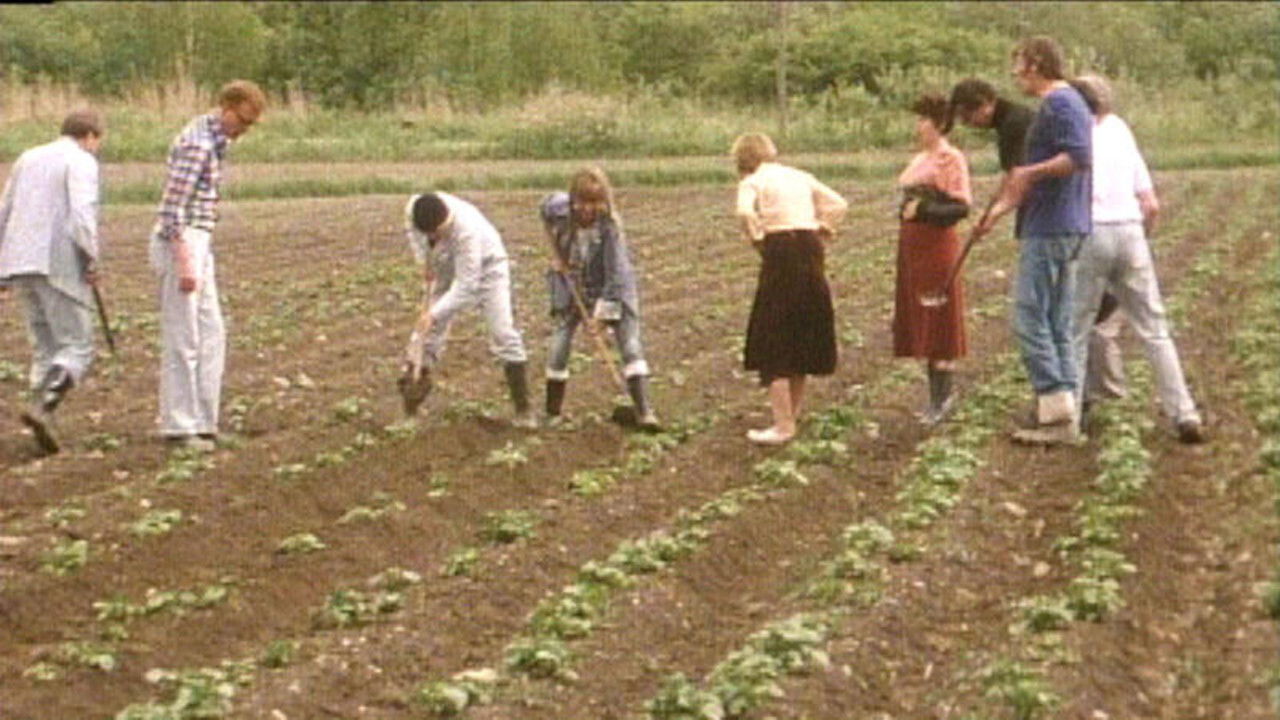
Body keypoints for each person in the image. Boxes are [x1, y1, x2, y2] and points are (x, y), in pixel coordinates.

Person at [1067, 74, 1205, 443]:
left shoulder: (1074, 137)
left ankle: (1072, 415)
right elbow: (1150, 202)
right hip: (1130, 230)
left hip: (1091, 231)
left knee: (1076, 329)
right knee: (1155, 329)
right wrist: (1140, 240)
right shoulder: (1120, 129)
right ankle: (1184, 413)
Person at [972, 36, 1093, 445]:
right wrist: (995, 215)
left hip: (1052, 226)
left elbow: (1078, 158)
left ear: (1037, 64)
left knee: (1028, 319)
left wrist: (1031, 171)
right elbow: (1031, 178)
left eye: (1018, 64)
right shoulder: (1062, 104)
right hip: (1059, 223)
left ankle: (1054, 405)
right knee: (1057, 322)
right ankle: (1066, 414)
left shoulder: (1062, 104)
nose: (1014, 73)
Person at [150, 80, 265, 453]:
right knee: (184, 337)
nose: (244, 131)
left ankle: (205, 423)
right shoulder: (197, 145)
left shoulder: (215, 143)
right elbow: (171, 209)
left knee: (211, 332)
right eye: (243, 121)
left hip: (200, 239)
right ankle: (179, 428)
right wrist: (184, 260)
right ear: (227, 109)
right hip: (183, 241)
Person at [0, 110, 106, 455]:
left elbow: (5, 210)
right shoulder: (81, 161)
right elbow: (81, 216)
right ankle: (44, 407)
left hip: (19, 262)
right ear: (90, 136)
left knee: (45, 346)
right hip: (57, 263)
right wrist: (91, 258)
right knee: (78, 345)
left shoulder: (28, 157)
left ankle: (40, 420)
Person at [732, 132, 848, 445]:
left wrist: (757, 238)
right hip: (810, 249)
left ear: (744, 163)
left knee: (773, 334)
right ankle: (790, 418)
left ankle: (783, 426)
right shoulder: (800, 175)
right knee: (802, 330)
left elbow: (744, 211)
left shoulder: (752, 181)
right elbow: (838, 203)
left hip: (780, 251)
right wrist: (824, 228)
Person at [401, 191, 537, 429]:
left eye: (441, 232)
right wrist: (423, 261)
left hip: (487, 269)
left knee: (502, 332)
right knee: (425, 338)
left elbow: (466, 286)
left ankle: (524, 410)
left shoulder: (467, 230)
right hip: (443, 266)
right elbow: (414, 236)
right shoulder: (413, 210)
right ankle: (410, 411)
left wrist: (433, 314)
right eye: (432, 234)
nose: (437, 236)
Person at [539, 167, 659, 429]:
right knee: (560, 340)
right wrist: (558, 255)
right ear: (572, 200)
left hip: (613, 287)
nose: (587, 209)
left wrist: (601, 317)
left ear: (605, 201)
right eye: (581, 201)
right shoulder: (559, 209)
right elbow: (544, 207)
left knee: (628, 343)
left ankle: (644, 411)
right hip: (573, 284)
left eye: (595, 202)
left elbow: (615, 276)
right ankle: (552, 413)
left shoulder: (610, 229)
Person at [894, 93, 973, 426]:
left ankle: (943, 400)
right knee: (923, 320)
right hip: (914, 248)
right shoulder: (919, 159)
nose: (918, 125)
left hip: (936, 247)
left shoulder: (949, 159)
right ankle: (935, 399)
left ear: (939, 123)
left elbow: (961, 207)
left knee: (939, 319)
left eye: (924, 119)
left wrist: (923, 209)